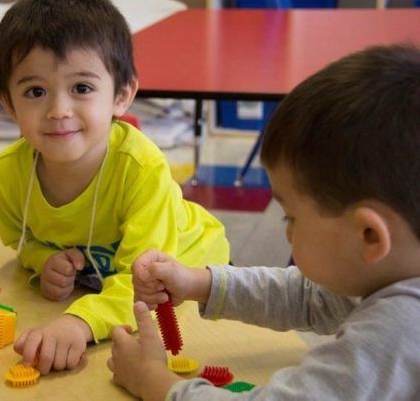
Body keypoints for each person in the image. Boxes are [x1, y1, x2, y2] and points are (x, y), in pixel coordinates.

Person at [108, 43, 420, 400]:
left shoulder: (397, 330)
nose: (286, 231)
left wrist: (154, 382)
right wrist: (196, 282)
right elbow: (310, 298)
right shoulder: (395, 270)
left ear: (369, 236)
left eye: (291, 217)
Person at [0, 0, 230, 375]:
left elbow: (148, 286)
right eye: (36, 91)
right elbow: (23, 241)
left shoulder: (142, 168)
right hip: (103, 287)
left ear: (122, 95)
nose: (58, 111)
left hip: (193, 277)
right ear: (7, 102)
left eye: (81, 88)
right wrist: (43, 261)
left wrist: (79, 323)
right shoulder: (4, 176)